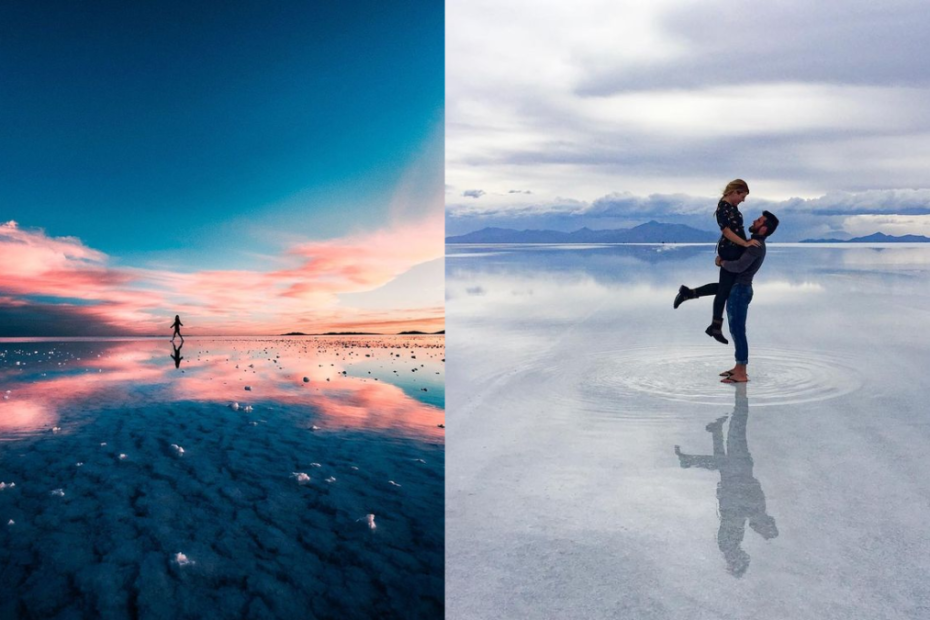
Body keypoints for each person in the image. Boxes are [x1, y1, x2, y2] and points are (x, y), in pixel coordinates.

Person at [675, 211, 779, 383]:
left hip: (740, 291)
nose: (754, 220)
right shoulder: (752, 244)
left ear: (763, 228)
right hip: (738, 288)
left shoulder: (755, 246)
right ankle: (738, 367)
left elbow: (738, 267)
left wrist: (721, 262)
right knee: (734, 323)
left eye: (759, 220)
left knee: (738, 331)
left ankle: (741, 373)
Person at [674, 180, 760, 344]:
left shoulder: (732, 207)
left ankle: (691, 296)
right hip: (730, 250)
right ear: (734, 191)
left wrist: (745, 242)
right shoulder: (723, 207)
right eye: (742, 196)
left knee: (725, 288)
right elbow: (726, 231)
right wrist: (744, 243)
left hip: (734, 249)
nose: (743, 200)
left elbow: (735, 230)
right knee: (725, 290)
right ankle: (714, 326)